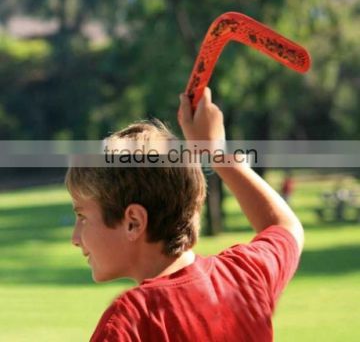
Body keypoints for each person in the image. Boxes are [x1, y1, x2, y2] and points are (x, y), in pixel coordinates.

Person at [66, 87, 304, 342]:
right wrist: (217, 153)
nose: (75, 237)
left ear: (133, 222)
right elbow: (286, 227)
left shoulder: (131, 324)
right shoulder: (244, 276)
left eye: (82, 217)